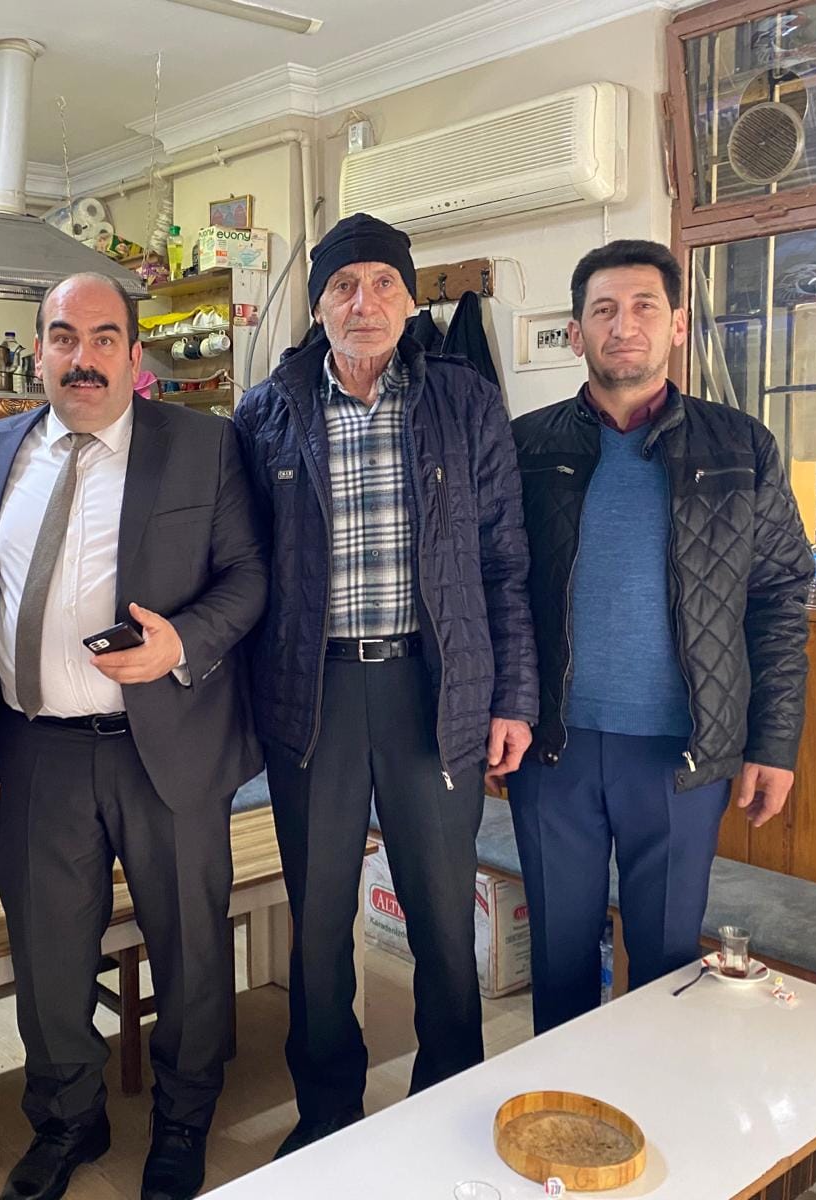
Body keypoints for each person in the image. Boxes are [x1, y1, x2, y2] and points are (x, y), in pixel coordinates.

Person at [0, 272, 266, 1200]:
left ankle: (184, 1119)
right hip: (38, 745)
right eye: (62, 337)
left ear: (134, 353)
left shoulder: (203, 445)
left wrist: (182, 643)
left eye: (101, 338)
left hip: (166, 743)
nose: (81, 358)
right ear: (38, 349)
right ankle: (68, 1120)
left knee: (190, 943)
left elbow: (249, 575)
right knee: (47, 950)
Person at [232, 213, 538, 1157]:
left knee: (443, 917)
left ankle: (448, 1096)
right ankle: (327, 1109)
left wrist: (514, 697)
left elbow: (505, 562)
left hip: (432, 692)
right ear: (317, 303)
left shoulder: (465, 401)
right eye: (342, 286)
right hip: (313, 697)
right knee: (319, 921)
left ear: (409, 300)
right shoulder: (267, 411)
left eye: (382, 284)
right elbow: (242, 568)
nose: (363, 303)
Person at [508, 240, 813, 1034]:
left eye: (645, 306)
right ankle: (566, 1100)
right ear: (576, 331)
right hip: (554, 750)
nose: (624, 326)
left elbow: (779, 601)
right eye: (604, 310)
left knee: (667, 964)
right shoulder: (526, 446)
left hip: (682, 754)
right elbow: (495, 590)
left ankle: (655, 1100)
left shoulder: (740, 447)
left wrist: (774, 743)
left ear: (677, 324)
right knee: (560, 960)